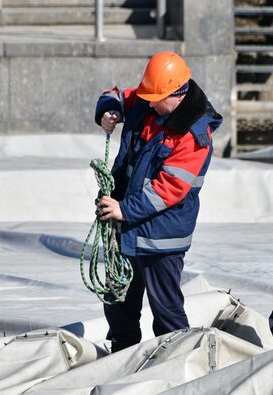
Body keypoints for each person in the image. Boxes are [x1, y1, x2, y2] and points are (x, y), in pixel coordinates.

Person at [94, 51, 223, 353]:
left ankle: (179, 361)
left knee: (165, 311)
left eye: (156, 99)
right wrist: (108, 110)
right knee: (118, 302)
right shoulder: (150, 99)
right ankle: (122, 357)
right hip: (126, 229)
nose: (149, 104)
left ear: (176, 95)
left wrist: (123, 209)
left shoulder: (194, 135)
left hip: (160, 237)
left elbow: (169, 189)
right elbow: (113, 94)